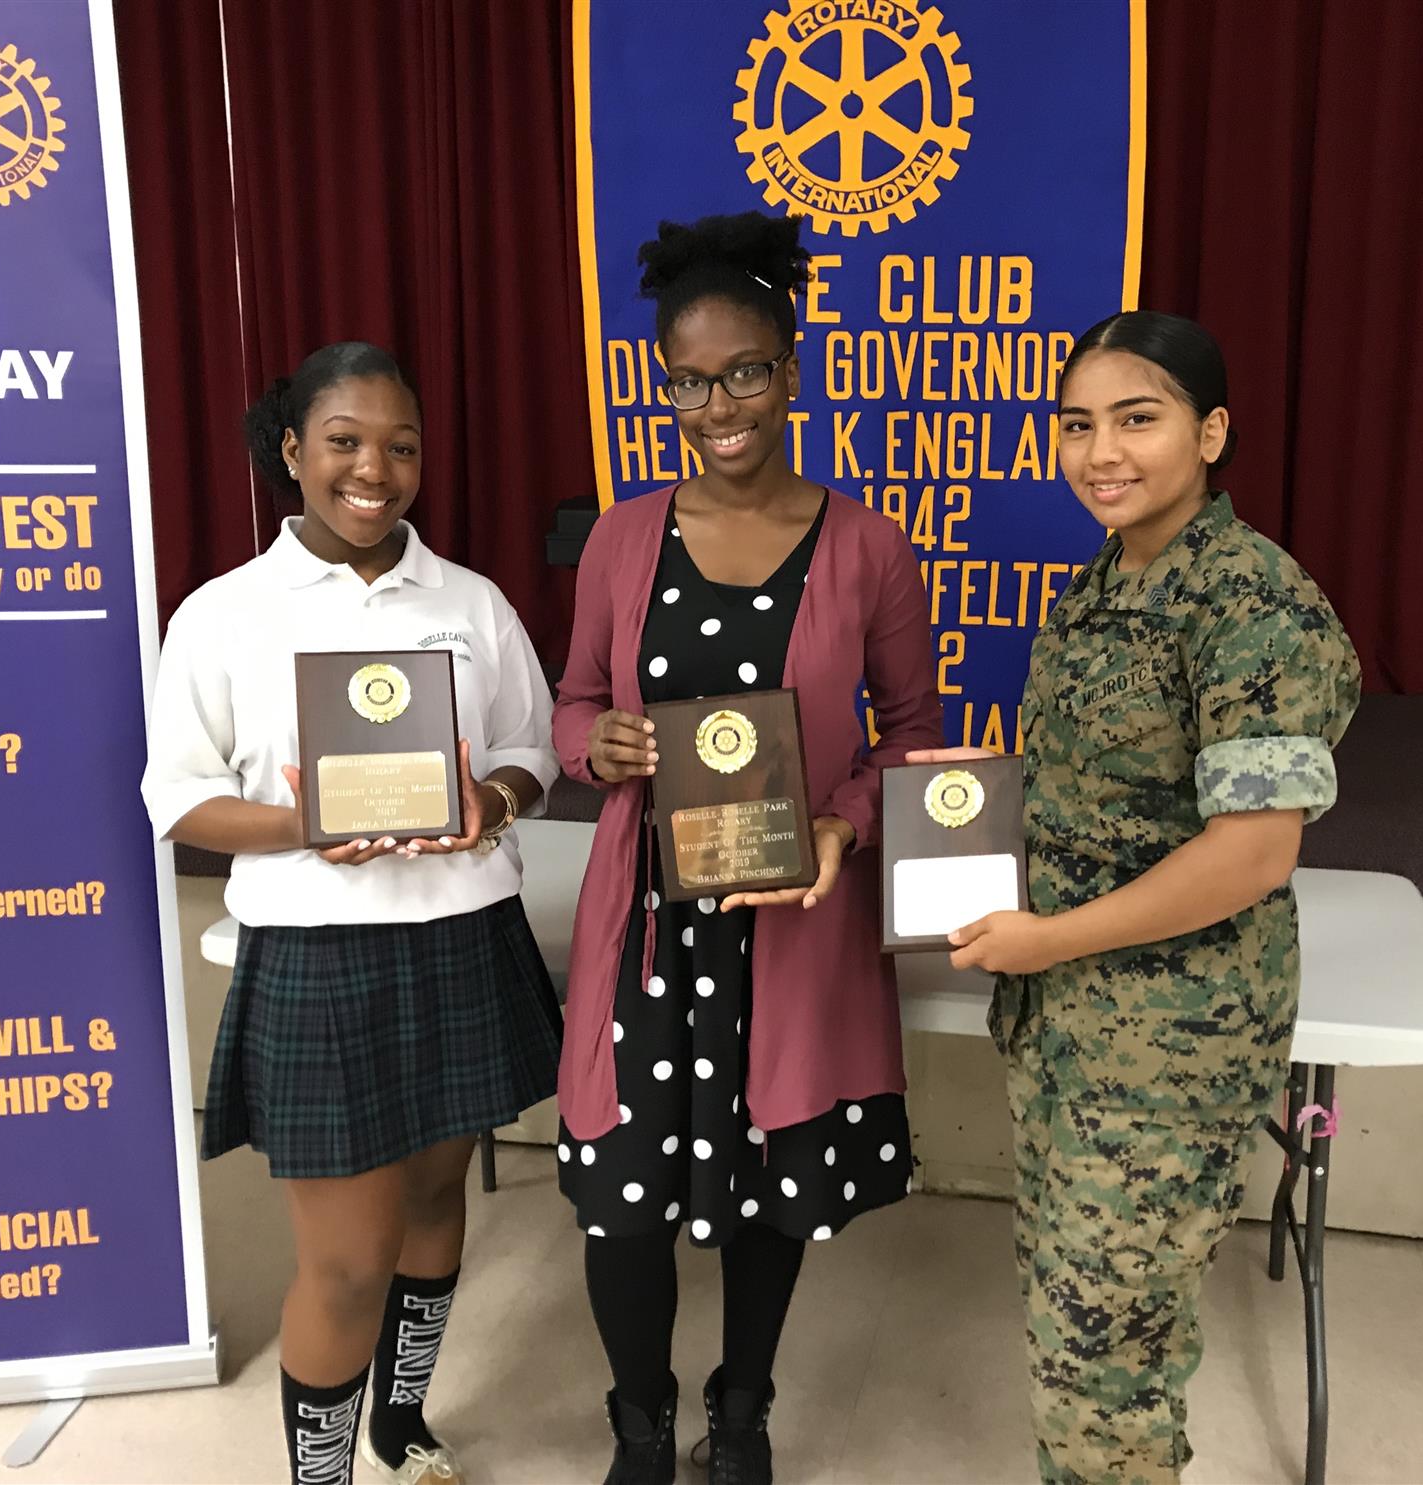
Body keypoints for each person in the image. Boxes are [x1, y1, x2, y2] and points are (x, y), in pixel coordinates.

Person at [909, 311, 1362, 1483]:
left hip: (1170, 1046)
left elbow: (1253, 853)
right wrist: (973, 797)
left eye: (1137, 419)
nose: (1101, 451)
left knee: (1107, 1362)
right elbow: (1107, 788)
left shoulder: (1251, 602)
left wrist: (1049, 939)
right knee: (1075, 1326)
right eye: (1077, 424)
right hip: (1071, 1030)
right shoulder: (1108, 581)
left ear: (1210, 433)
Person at [551, 212, 944, 1485]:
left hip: (792, 917)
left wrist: (844, 821)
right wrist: (595, 745)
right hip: (647, 926)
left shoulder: (868, 546)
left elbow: (915, 736)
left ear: (792, 371)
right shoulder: (622, 536)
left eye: (745, 373)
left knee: (774, 1184)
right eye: (689, 380)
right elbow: (573, 704)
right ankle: (640, 1423)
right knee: (625, 1199)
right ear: (662, 386)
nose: (717, 406)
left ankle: (742, 1411)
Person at [140, 341, 563, 1485]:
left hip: (463, 934)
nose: (374, 468)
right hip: (318, 957)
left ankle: (403, 1421)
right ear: (292, 450)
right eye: (344, 441)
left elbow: (533, 750)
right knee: (347, 1262)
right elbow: (178, 801)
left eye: (401, 446)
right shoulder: (224, 614)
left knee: (432, 1206)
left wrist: (490, 800)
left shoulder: (470, 602)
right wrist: (302, 826)